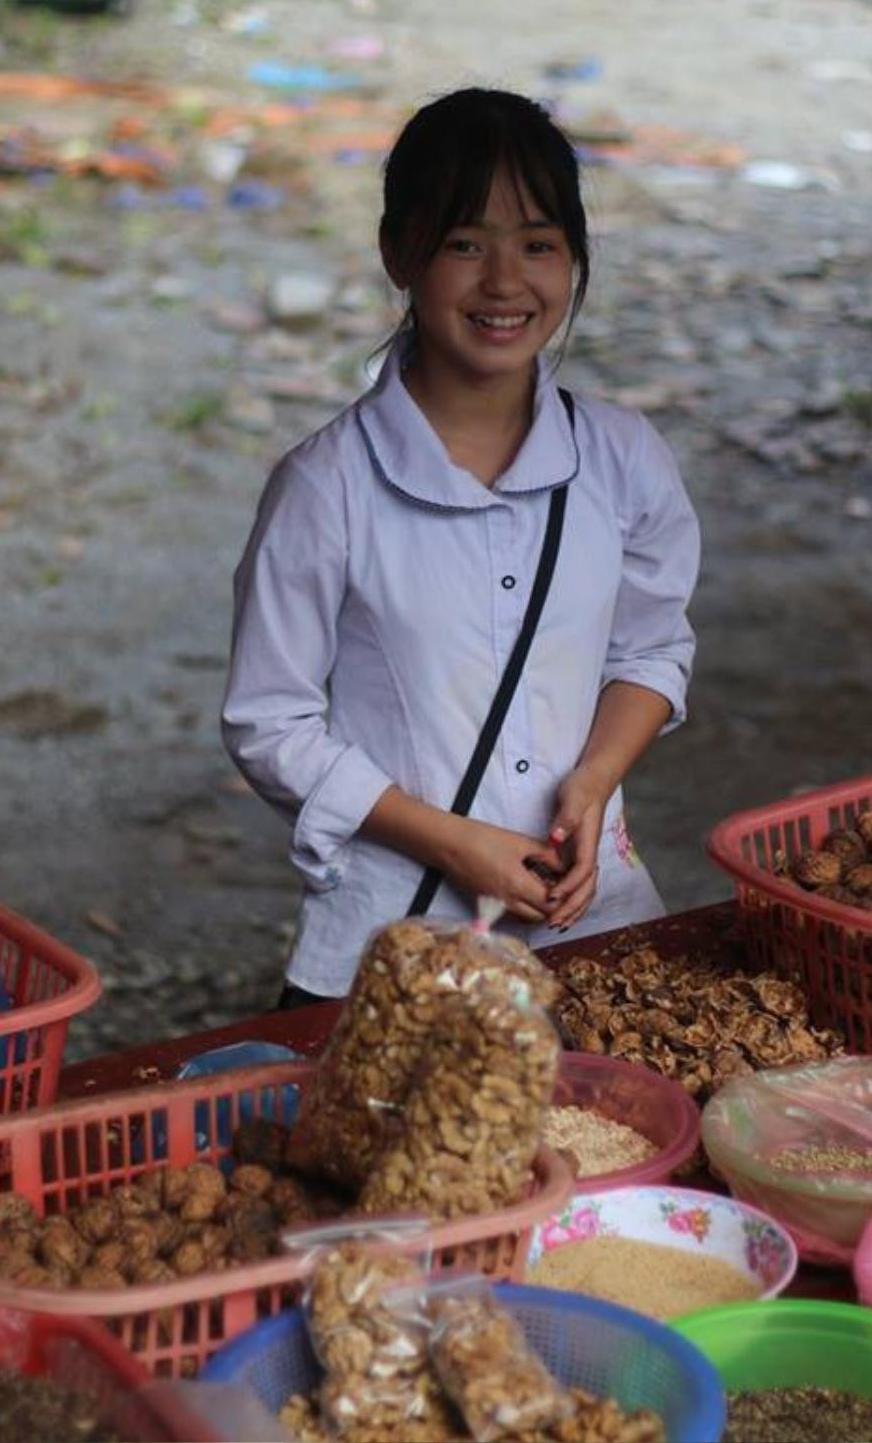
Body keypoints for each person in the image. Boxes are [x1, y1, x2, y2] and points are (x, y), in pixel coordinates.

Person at [222, 87, 700, 1002]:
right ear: (401, 253)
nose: (505, 282)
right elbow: (267, 721)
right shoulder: (327, 487)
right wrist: (455, 841)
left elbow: (652, 648)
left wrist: (594, 784)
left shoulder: (623, 458)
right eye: (465, 243)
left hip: (593, 923)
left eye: (538, 244)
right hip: (394, 944)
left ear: (574, 259)